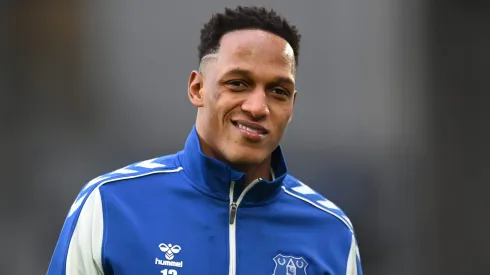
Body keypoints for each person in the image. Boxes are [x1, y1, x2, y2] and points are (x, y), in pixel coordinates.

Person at [47, 5, 363, 275]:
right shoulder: (109, 206)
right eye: (238, 83)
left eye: (278, 91)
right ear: (197, 89)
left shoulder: (332, 233)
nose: (257, 107)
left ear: (292, 105)